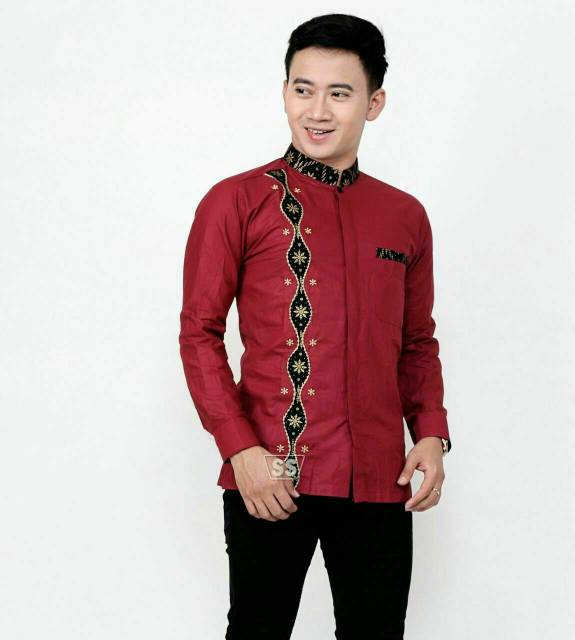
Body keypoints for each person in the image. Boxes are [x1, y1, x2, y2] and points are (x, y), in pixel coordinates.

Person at [179, 13, 451, 640]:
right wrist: (240, 451)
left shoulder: (404, 215)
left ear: (374, 103)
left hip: (380, 474)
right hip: (271, 466)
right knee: (257, 629)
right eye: (303, 89)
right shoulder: (236, 201)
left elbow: (417, 341)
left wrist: (432, 433)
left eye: (340, 93)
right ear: (284, 93)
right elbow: (199, 332)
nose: (317, 111)